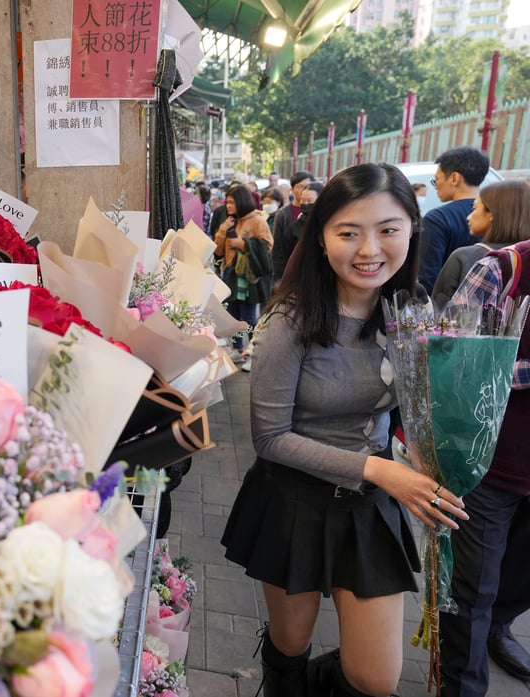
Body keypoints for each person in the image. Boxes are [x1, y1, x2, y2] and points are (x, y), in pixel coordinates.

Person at [221, 163, 468, 697]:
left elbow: (413, 409)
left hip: (369, 506)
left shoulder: (414, 315)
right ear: (322, 236)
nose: (369, 249)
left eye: (388, 229)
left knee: (375, 677)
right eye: (349, 232)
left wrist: (440, 449)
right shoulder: (290, 319)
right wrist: (382, 468)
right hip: (292, 503)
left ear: (411, 231)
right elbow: (269, 438)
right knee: (290, 647)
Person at [438, 217, 530, 696]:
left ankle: (499, 628)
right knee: (471, 592)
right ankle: (462, 685)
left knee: (513, 582)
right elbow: (454, 357)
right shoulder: (502, 269)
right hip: (490, 466)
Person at [431, 180, 530, 308]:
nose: (468, 217)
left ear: (491, 214)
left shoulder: (465, 257)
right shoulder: (523, 258)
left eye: (474, 208)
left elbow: (441, 316)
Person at [419, 146, 491, 290]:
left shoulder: (436, 219)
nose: (436, 186)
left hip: (447, 307)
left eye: (436, 180)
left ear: (454, 178)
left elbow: (427, 277)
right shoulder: (499, 215)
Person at [214, 185, 273, 358]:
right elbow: (217, 251)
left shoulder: (257, 220)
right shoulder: (231, 220)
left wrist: (243, 243)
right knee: (232, 313)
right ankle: (238, 348)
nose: (228, 206)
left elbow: (267, 246)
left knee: (248, 315)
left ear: (242, 201)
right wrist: (223, 230)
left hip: (247, 277)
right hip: (230, 273)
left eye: (232, 202)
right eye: (227, 202)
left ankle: (255, 349)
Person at [272, 181, 323, 284]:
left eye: (310, 201)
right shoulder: (294, 228)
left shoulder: (328, 225)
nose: (306, 204)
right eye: (303, 201)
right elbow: (282, 256)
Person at [271, 170, 314, 250]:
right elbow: (277, 245)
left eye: (308, 187)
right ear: (292, 190)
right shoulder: (282, 214)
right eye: (300, 187)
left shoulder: (318, 211)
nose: (304, 190)